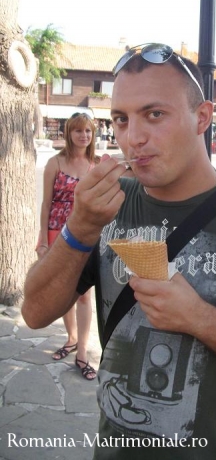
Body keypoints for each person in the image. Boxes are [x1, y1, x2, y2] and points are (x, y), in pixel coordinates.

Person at [23, 43, 216, 459]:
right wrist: (79, 228)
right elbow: (34, 313)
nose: (133, 137)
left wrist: (200, 319)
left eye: (154, 114)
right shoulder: (108, 204)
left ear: (202, 117)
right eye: (121, 119)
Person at [36, 112, 100, 380]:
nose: (83, 135)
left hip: (85, 235)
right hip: (57, 234)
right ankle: (71, 337)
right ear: (69, 133)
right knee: (65, 292)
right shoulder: (55, 162)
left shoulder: (96, 165)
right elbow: (46, 204)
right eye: (78, 130)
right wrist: (42, 240)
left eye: (88, 131)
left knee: (83, 294)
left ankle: (82, 352)